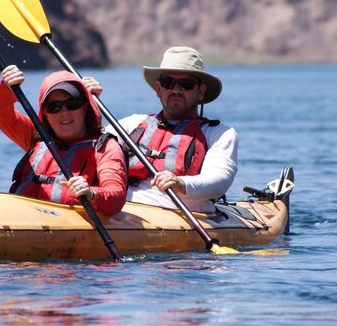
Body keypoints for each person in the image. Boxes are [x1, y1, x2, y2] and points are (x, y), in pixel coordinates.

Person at [89, 46, 238, 213]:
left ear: (201, 92)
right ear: (158, 89)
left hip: (180, 213)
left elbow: (219, 180)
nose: (175, 90)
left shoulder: (219, 133)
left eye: (186, 85)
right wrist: (86, 104)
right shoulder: (131, 124)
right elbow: (87, 146)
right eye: (168, 83)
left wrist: (181, 183)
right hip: (123, 208)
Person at [0, 65, 127, 216]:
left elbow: (116, 196)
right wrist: (6, 88)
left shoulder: (104, 146)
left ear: (85, 107)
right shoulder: (36, 136)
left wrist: (92, 193)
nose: (64, 113)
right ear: (45, 113)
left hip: (69, 224)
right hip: (24, 215)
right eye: (54, 107)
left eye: (72, 104)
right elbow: (0, 111)